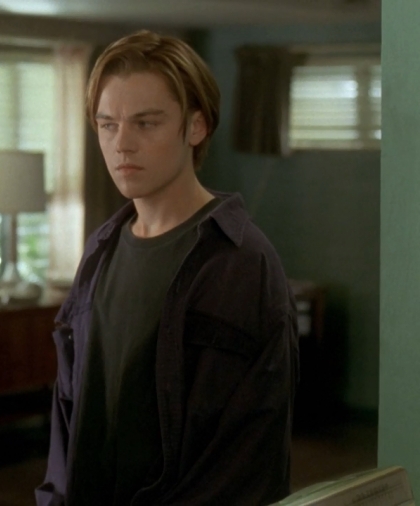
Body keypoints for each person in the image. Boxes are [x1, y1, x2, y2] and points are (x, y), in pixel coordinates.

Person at [36, 30, 299, 506]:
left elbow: (244, 459)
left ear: (195, 127)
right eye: (108, 125)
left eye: (146, 123)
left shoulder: (240, 263)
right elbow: (69, 415)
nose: (122, 144)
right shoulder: (101, 249)